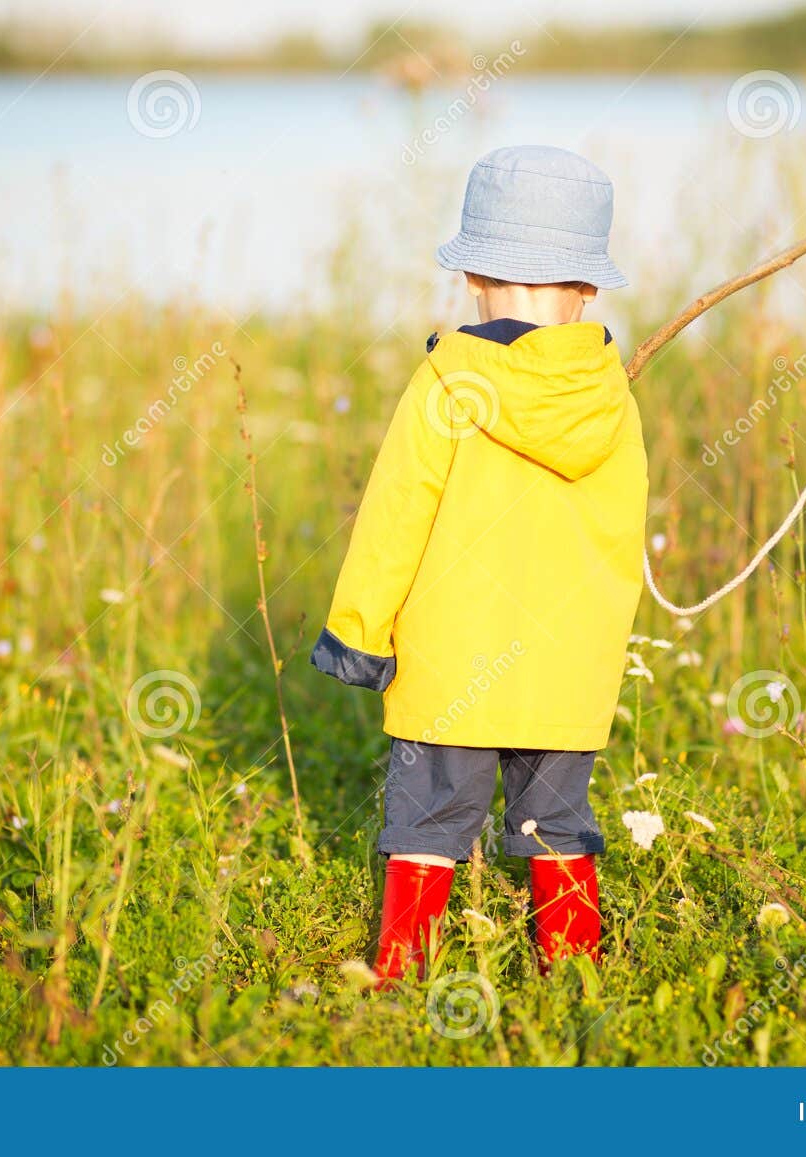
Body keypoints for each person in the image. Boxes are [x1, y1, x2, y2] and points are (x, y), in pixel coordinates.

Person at [311, 145, 647, 981]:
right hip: (566, 668)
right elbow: (621, 536)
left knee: (427, 821)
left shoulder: (445, 381)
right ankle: (572, 980)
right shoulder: (610, 394)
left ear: (470, 276)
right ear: (589, 288)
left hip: (449, 666)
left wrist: (358, 633)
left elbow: (394, 518)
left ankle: (402, 976)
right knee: (557, 825)